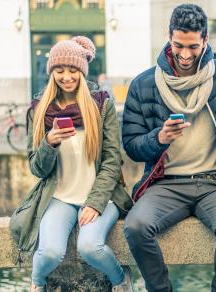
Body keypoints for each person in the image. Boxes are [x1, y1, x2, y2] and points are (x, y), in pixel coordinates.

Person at [121, 4, 216, 291]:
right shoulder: (144, 84)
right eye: (178, 45)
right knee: (135, 227)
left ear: (205, 40)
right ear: (169, 37)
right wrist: (159, 138)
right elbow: (130, 146)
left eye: (192, 46)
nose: (184, 54)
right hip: (165, 183)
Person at [9, 36, 133, 292]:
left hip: (101, 196)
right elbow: (37, 168)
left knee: (90, 247)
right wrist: (49, 143)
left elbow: (112, 160)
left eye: (73, 70)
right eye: (60, 70)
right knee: (50, 252)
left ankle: (121, 281)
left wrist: (95, 203)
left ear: (82, 70)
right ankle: (38, 282)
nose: (66, 76)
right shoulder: (40, 109)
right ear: (52, 71)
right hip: (59, 197)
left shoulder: (101, 104)